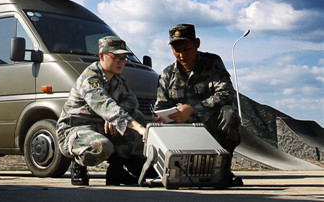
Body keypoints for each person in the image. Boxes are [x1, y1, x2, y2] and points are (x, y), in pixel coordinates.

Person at [154, 23, 243, 187]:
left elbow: (227, 93)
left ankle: (222, 167)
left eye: (186, 49)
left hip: (210, 124)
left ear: (197, 44)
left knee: (230, 115)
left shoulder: (213, 63)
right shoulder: (167, 74)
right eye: (176, 50)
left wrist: (193, 108)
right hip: (183, 129)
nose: (181, 55)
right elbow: (161, 107)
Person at [57, 36, 148, 187]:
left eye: (124, 58)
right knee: (103, 146)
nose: (121, 62)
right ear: (102, 56)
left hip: (101, 128)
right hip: (75, 130)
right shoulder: (90, 78)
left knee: (136, 115)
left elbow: (132, 101)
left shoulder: (117, 80)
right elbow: (104, 105)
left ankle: (116, 171)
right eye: (116, 57)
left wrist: (112, 117)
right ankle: (78, 164)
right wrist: (135, 126)